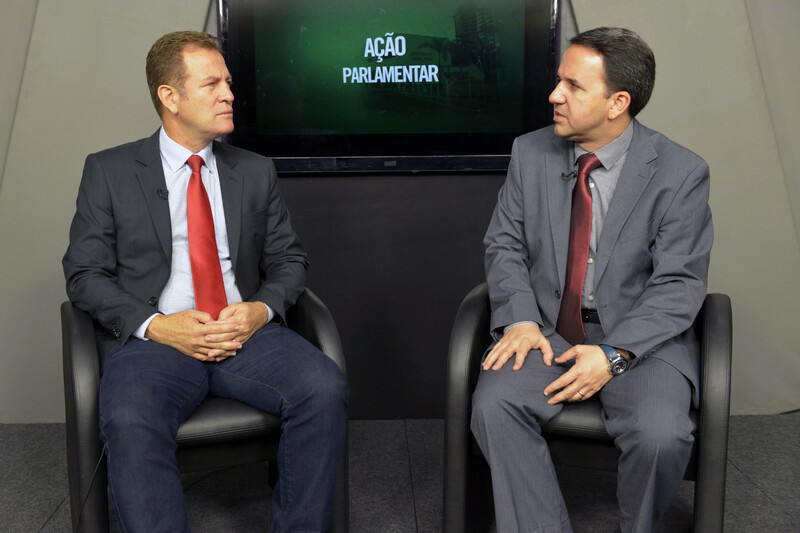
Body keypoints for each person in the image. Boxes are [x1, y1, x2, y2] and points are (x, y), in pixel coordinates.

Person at [62, 31, 348, 532]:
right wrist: (157, 325)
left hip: (246, 335)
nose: (229, 94)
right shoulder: (108, 171)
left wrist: (259, 310)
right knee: (130, 416)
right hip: (155, 342)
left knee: (323, 387)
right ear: (169, 97)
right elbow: (84, 273)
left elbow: (289, 260)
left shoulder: (255, 171)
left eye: (228, 83)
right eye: (212, 84)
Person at [471, 27, 712, 533]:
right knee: (495, 405)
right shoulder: (529, 153)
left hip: (640, 341)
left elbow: (678, 284)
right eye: (559, 80)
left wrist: (613, 354)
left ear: (617, 103)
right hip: (549, 331)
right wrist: (519, 319)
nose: (554, 95)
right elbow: (505, 244)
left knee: (660, 435)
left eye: (573, 86)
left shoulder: (681, 173)